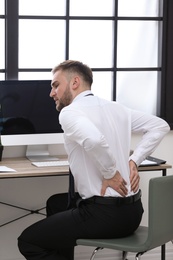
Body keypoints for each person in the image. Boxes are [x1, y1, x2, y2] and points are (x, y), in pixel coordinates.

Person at [18, 60, 170, 260]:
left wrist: (111, 173)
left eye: (55, 85)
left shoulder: (70, 112)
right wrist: (133, 161)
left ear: (75, 82)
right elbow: (160, 126)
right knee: (56, 204)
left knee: (28, 241)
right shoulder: (116, 108)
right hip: (132, 213)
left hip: (105, 216)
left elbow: (94, 140)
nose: (51, 93)